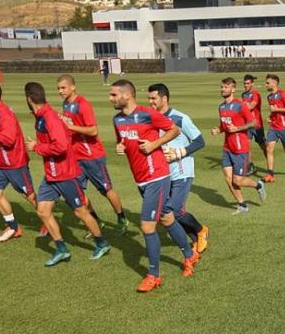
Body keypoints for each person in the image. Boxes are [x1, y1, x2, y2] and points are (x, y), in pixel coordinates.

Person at [109, 79, 200, 292]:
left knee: (147, 226)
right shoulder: (117, 120)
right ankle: (190, 254)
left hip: (157, 176)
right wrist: (120, 147)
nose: (110, 98)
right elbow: (121, 141)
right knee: (166, 218)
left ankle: (153, 275)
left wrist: (154, 144)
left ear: (127, 95)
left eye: (114, 95)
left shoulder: (147, 114)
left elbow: (174, 130)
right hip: (140, 178)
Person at [24, 82, 111, 267]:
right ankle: (62, 249)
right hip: (51, 175)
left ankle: (102, 243)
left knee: (80, 212)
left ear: (29, 99)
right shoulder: (41, 116)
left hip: (65, 174)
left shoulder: (49, 118)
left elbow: (61, 146)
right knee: (43, 211)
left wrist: (36, 147)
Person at [56, 75, 129, 234]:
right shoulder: (66, 104)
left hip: (92, 155)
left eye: (63, 88)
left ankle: (122, 218)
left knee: (106, 190)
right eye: (59, 88)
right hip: (76, 157)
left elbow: (93, 130)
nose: (60, 91)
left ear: (73, 87)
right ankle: (96, 220)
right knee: (78, 193)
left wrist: (71, 127)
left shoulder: (83, 105)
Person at [147, 83, 210, 253]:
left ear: (164, 98)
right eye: (149, 98)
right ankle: (197, 237)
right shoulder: (151, 119)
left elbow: (200, 141)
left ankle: (200, 230)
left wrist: (180, 152)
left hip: (182, 170)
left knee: (173, 209)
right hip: (163, 173)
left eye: (153, 98)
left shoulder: (180, 118)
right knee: (170, 210)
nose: (150, 101)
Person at [0, 81, 36, 242]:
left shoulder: (4, 113)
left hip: (14, 162)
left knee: (29, 196)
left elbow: (9, 140)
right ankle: (13, 227)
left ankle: (48, 221)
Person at [211, 77, 267, 215]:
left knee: (238, 180)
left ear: (233, 89)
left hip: (240, 148)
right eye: (222, 87)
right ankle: (242, 205)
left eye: (225, 87)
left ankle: (258, 185)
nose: (222, 89)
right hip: (227, 147)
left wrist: (237, 128)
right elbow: (225, 126)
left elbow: (253, 123)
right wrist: (218, 130)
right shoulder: (221, 106)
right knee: (228, 179)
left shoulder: (240, 105)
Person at [241, 74, 266, 175]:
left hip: (257, 125)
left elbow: (251, 106)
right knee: (246, 145)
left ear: (252, 84)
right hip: (248, 125)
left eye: (248, 83)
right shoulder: (244, 95)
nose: (246, 85)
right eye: (244, 83)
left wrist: (244, 105)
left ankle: (270, 166)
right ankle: (251, 166)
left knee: (263, 146)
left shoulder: (256, 94)